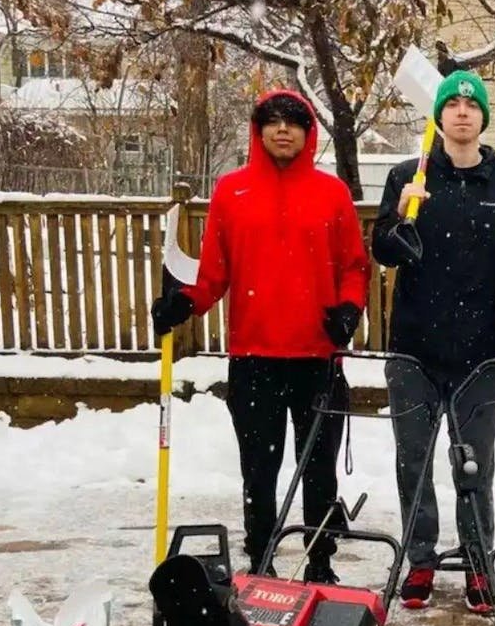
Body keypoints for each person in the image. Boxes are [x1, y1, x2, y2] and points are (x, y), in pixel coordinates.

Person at [150, 89, 370, 582]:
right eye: (272, 121)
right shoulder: (232, 192)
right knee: (259, 471)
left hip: (318, 359)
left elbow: (355, 267)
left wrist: (348, 311)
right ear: (259, 130)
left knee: (318, 469)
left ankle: (320, 560)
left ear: (308, 131)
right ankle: (262, 558)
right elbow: (213, 275)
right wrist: (183, 303)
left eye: (293, 121)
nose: (283, 129)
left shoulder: (331, 192)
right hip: (254, 360)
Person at [372, 70, 495, 613]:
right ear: (438, 116)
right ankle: (420, 560)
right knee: (412, 461)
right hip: (414, 348)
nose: (462, 111)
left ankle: (475, 564)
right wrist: (402, 214)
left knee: (474, 464)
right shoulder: (407, 176)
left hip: (481, 353)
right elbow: (385, 252)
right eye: (453, 103)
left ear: (483, 118)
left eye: (472, 104)